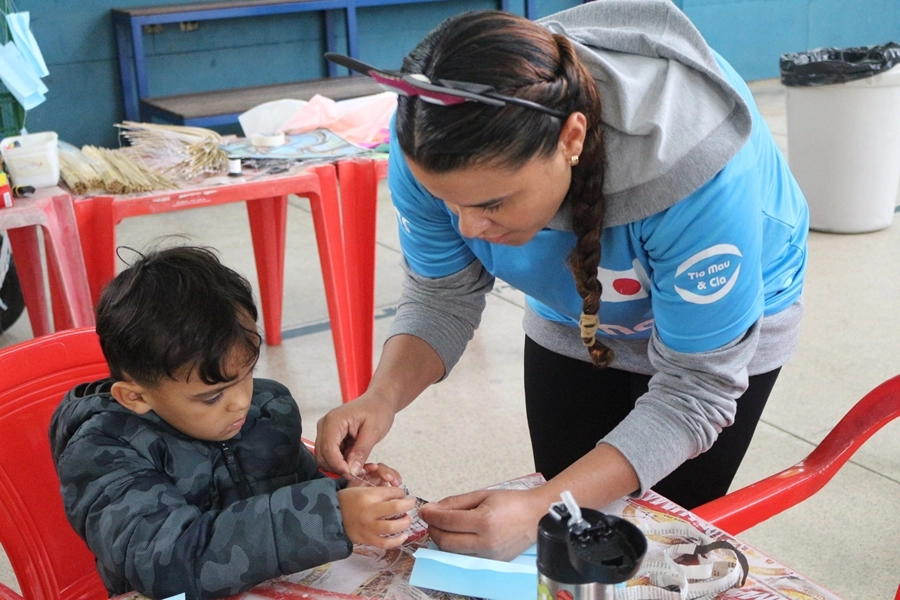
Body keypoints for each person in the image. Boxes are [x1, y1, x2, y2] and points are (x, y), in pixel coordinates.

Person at [316, 0, 809, 562]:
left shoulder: (692, 172)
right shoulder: (433, 142)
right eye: (448, 202)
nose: (469, 227)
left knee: (654, 553)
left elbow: (696, 390)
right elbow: (442, 293)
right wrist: (383, 397)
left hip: (717, 331)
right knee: (567, 544)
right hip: (579, 310)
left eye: (493, 203)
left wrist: (543, 505)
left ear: (571, 139)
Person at [49, 245, 416, 600]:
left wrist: (353, 496)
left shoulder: (266, 408)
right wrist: (330, 516)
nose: (240, 401)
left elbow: (294, 492)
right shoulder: (104, 451)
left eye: (248, 373)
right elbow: (169, 566)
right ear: (137, 397)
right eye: (212, 396)